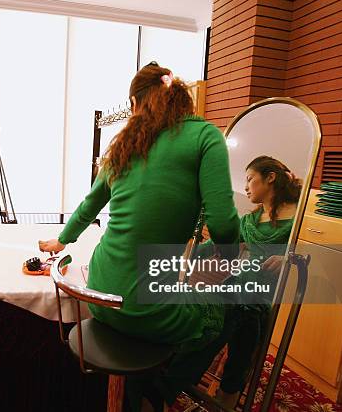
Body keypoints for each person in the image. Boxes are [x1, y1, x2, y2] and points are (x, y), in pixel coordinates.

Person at [39, 61, 240, 411]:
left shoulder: (123, 146)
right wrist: (231, 261)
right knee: (234, 307)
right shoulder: (206, 136)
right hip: (146, 311)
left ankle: (142, 390)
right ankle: (162, 391)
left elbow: (89, 206)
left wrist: (62, 241)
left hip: (99, 296)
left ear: (135, 104)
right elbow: (223, 225)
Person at [170, 155, 302, 409]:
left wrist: (287, 258)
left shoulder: (298, 221)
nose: (246, 186)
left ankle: (188, 384)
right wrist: (186, 252)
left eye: (250, 179)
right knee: (212, 314)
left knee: (241, 316)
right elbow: (217, 245)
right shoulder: (249, 221)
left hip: (262, 296)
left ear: (270, 177)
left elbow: (312, 254)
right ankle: (208, 386)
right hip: (235, 286)